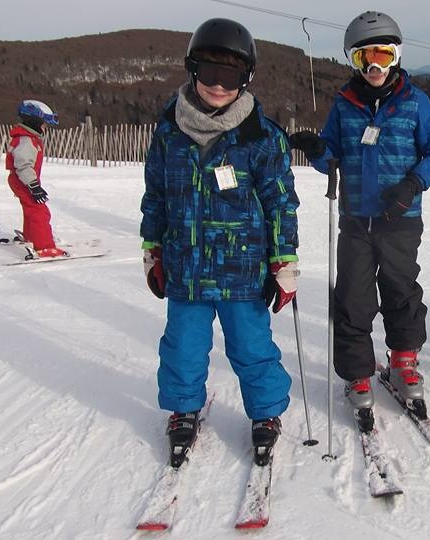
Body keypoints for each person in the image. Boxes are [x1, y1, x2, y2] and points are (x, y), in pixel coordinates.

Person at [139, 18, 300, 467]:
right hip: (185, 266)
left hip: (243, 269)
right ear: (192, 69)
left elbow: (281, 202)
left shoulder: (260, 136)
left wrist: (284, 259)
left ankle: (266, 414)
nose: (217, 84)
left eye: (229, 76)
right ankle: (183, 408)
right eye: (208, 72)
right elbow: (156, 196)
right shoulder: (169, 130)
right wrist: (152, 249)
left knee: (251, 347)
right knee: (183, 345)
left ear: (245, 79)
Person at [289, 11, 430, 430]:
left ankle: (403, 360)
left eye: (383, 54)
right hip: (357, 222)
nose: (375, 66)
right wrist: (315, 149)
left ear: (396, 56)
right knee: (353, 298)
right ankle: (358, 373)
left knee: (401, 291)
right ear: (354, 62)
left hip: (401, 219)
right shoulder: (345, 105)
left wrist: (413, 184)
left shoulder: (415, 102)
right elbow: (332, 157)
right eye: (366, 58)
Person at [6, 99, 65, 258]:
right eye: (44, 124)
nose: (45, 128)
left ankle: (31, 236)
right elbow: (23, 166)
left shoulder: (27, 137)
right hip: (24, 181)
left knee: (31, 209)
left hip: (21, 180)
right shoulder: (26, 141)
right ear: (34, 121)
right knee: (40, 211)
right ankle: (44, 246)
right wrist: (34, 186)